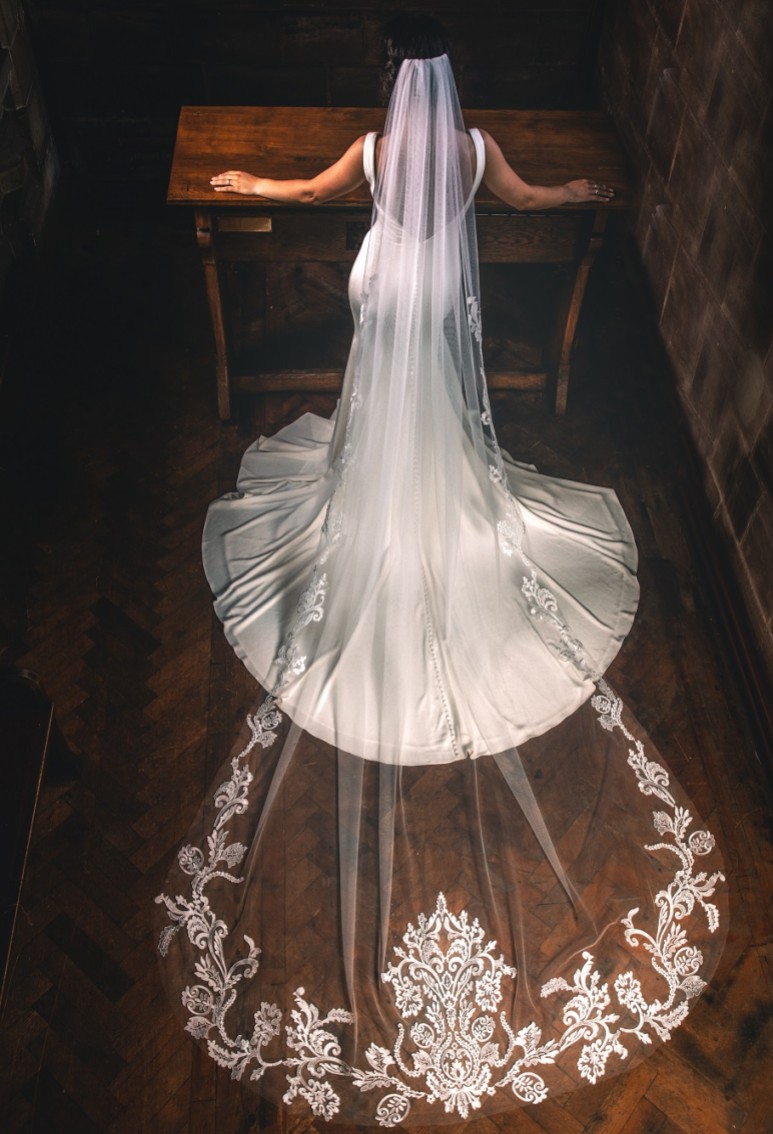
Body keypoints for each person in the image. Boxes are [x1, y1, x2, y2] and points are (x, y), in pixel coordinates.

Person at [157, 15, 726, 1126]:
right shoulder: (473, 155)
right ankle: (429, 510)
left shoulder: (374, 155)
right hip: (436, 317)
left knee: (371, 429)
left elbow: (311, 200)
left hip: (388, 304)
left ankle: (378, 511)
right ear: (453, 91)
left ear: (392, 88)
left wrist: (245, 182)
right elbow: (526, 204)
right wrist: (577, 201)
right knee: (440, 435)